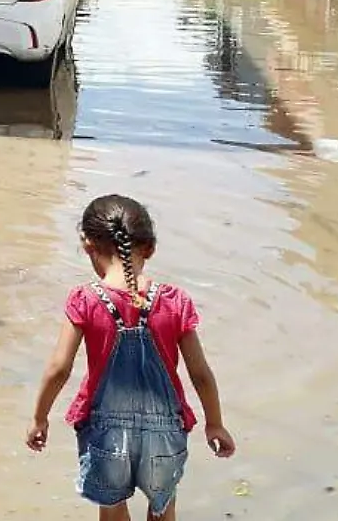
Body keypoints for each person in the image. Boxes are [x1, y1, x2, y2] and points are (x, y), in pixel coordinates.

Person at [26, 195, 236, 521]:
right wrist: (215, 423)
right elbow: (201, 373)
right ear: (149, 249)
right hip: (165, 433)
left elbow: (59, 369)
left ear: (87, 245)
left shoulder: (86, 300)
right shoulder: (175, 301)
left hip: (105, 431)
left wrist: (40, 417)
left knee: (111, 511)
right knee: (163, 509)